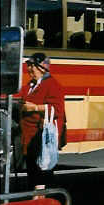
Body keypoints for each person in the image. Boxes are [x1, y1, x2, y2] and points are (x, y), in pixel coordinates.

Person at [15, 53, 66, 189]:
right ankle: (37, 203)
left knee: (41, 173)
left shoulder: (52, 85)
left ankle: (40, 204)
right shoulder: (31, 85)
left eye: (32, 66)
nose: (29, 69)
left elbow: (58, 109)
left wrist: (34, 107)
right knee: (33, 172)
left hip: (41, 137)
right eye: (28, 66)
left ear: (42, 68)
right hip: (30, 137)